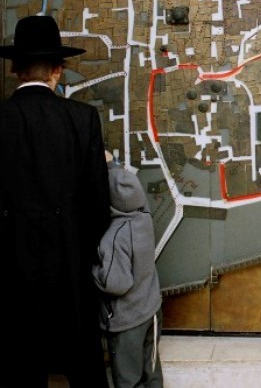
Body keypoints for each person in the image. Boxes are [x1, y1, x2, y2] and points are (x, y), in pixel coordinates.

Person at [0, 15, 111, 387]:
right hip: (67, 266)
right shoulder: (83, 119)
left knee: (6, 364)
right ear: (58, 70)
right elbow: (97, 203)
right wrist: (76, 248)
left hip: (4, 270)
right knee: (80, 363)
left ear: (14, 69)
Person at [93, 152, 163, 387]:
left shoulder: (114, 237)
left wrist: (94, 270)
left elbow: (117, 283)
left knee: (128, 380)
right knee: (151, 373)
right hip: (151, 311)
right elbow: (121, 182)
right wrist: (111, 164)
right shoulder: (143, 218)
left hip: (127, 322)